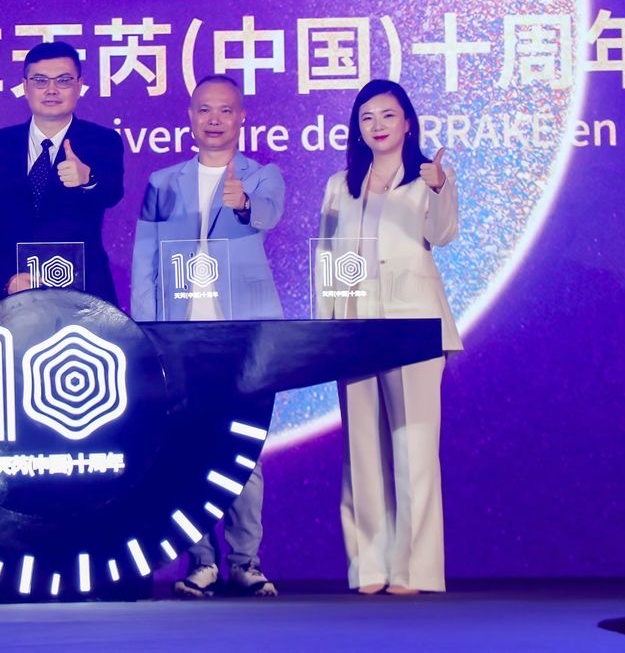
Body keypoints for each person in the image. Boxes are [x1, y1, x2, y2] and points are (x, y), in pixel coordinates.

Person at [131, 74, 284, 599]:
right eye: (204, 110)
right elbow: (145, 258)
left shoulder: (262, 176)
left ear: (241, 117)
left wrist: (243, 204)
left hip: (243, 336)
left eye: (224, 110)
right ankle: (200, 561)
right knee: (188, 450)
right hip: (180, 337)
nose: (214, 120)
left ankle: (246, 562)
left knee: (245, 452)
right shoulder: (162, 182)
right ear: (190, 117)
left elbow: (268, 215)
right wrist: (148, 328)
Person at [318, 79, 460, 595]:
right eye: (367, 118)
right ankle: (369, 567)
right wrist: (326, 330)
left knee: (414, 448)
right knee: (360, 452)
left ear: (407, 123)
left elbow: (443, 234)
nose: (377, 126)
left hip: (414, 327)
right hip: (354, 329)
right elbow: (327, 257)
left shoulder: (429, 177)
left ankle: (413, 570)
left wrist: (439, 189)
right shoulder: (341, 184)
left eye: (387, 115)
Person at [0, 41, 124, 309]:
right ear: (25, 86)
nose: (51, 90)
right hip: (11, 294)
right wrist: (7, 278)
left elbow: (112, 192)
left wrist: (88, 179)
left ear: (79, 85)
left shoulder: (102, 140)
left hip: (83, 293)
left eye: (63, 80)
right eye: (40, 80)